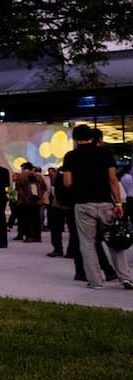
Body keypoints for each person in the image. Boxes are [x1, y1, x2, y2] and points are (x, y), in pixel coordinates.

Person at [62, 124, 132, 290]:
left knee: (87, 243)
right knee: (114, 239)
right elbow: (113, 179)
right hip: (105, 203)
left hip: (83, 204)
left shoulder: (71, 156)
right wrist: (118, 203)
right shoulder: (105, 154)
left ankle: (95, 281)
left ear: (75, 139)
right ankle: (125, 277)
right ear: (92, 137)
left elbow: (67, 182)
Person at [14, 162, 47, 243]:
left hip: (25, 202)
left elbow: (18, 189)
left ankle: (29, 236)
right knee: (37, 219)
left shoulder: (20, 176)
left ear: (23, 168)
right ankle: (37, 237)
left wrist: (25, 197)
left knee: (27, 219)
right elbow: (44, 187)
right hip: (37, 201)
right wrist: (40, 197)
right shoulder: (39, 176)